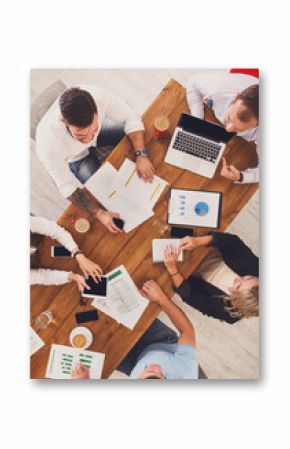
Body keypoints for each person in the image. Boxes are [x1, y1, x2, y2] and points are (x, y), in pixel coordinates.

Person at [36, 86, 155, 234]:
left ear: (96, 110)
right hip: (77, 158)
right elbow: (65, 186)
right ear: (64, 121)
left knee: (147, 140)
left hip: (102, 133)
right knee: (106, 196)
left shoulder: (98, 96)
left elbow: (130, 117)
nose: (88, 139)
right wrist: (99, 213)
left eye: (91, 130)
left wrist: (142, 155)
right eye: (80, 135)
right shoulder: (47, 145)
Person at [72, 280, 198, 380]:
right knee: (123, 302)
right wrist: (161, 298)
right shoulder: (186, 373)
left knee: (94, 345)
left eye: (151, 372)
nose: (157, 366)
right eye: (163, 376)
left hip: (135, 363)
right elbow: (187, 331)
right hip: (159, 341)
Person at [163, 232, 259, 324]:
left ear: (235, 301)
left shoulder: (229, 314)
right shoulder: (257, 269)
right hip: (202, 246)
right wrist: (198, 241)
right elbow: (233, 243)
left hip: (183, 269)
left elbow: (189, 295)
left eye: (238, 287)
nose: (238, 279)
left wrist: (172, 269)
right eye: (248, 278)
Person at [186, 78, 259, 183]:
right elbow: (193, 82)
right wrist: (197, 119)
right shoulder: (218, 89)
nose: (228, 129)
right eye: (229, 118)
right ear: (235, 98)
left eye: (239, 129)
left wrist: (241, 177)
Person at [30, 215, 102, 291]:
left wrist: (79, 255)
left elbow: (55, 230)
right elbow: (44, 277)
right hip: (48, 263)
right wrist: (74, 277)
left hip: (53, 242)